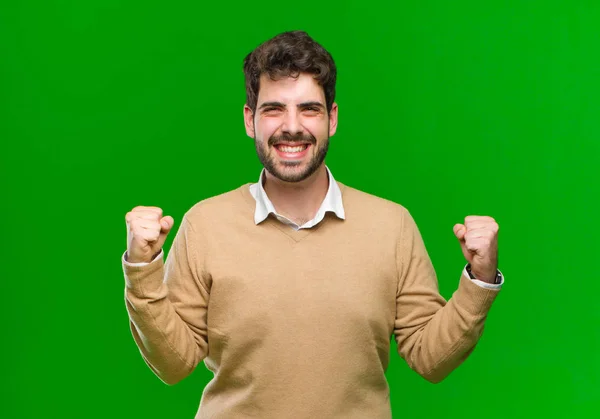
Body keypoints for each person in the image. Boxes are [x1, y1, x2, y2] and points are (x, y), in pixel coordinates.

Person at [122, 30, 503, 419]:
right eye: (273, 110)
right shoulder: (205, 224)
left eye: (309, 109)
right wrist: (141, 270)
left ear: (332, 118)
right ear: (250, 120)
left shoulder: (392, 226)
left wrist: (480, 278)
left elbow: (431, 358)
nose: (292, 127)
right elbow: (173, 365)